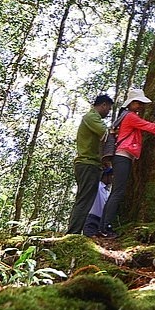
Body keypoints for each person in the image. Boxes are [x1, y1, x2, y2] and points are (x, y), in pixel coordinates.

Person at [99, 88, 155, 238]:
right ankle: (105, 228)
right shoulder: (130, 117)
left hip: (122, 156)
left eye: (141, 102)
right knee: (118, 192)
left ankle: (103, 226)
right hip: (122, 156)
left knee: (117, 192)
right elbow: (151, 127)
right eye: (138, 102)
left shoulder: (124, 116)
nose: (140, 105)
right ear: (131, 103)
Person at [67, 94, 114, 234]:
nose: (108, 112)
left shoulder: (93, 118)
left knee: (85, 198)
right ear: (103, 105)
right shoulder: (91, 117)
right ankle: (72, 233)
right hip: (87, 164)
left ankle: (74, 232)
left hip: (91, 163)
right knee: (84, 199)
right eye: (109, 109)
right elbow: (106, 133)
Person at [83, 167, 114, 237]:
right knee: (90, 239)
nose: (113, 177)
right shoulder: (97, 186)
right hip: (92, 219)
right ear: (105, 176)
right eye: (111, 175)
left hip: (102, 221)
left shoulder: (108, 191)